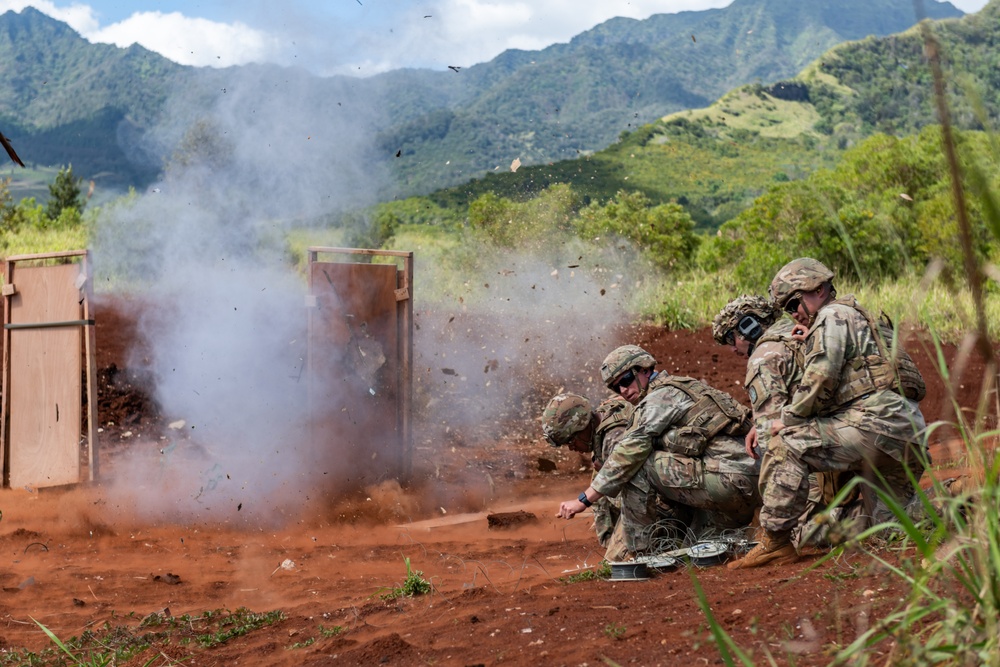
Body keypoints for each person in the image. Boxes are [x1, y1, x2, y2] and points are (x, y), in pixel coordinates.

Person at [728, 258, 927, 569]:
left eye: (794, 303)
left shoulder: (831, 314)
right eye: (787, 309)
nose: (793, 313)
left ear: (819, 289)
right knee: (893, 528)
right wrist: (810, 341)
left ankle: (775, 542)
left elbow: (822, 376)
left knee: (786, 443)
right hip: (906, 428)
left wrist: (788, 418)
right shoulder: (855, 316)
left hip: (875, 424)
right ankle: (962, 502)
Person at [556, 345, 761, 556]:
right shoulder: (684, 386)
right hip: (751, 480)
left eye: (626, 380)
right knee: (698, 547)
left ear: (644, 369)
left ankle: (638, 555)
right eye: (616, 388)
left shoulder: (659, 398)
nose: (623, 391)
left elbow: (629, 451)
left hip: (731, 480)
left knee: (637, 465)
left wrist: (584, 499)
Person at [713, 295, 861, 551]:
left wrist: (775, 516)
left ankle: (868, 518)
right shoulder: (802, 332)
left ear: (748, 326)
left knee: (801, 534)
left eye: (730, 338)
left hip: (825, 459)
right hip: (862, 433)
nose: (733, 349)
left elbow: (774, 446)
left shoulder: (763, 358)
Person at [541, 392, 634, 560]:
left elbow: (621, 480)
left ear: (582, 427)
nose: (572, 448)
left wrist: (582, 501)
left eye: (571, 441)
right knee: (600, 472)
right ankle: (611, 538)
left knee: (618, 562)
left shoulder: (614, 437)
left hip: (656, 497)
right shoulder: (601, 419)